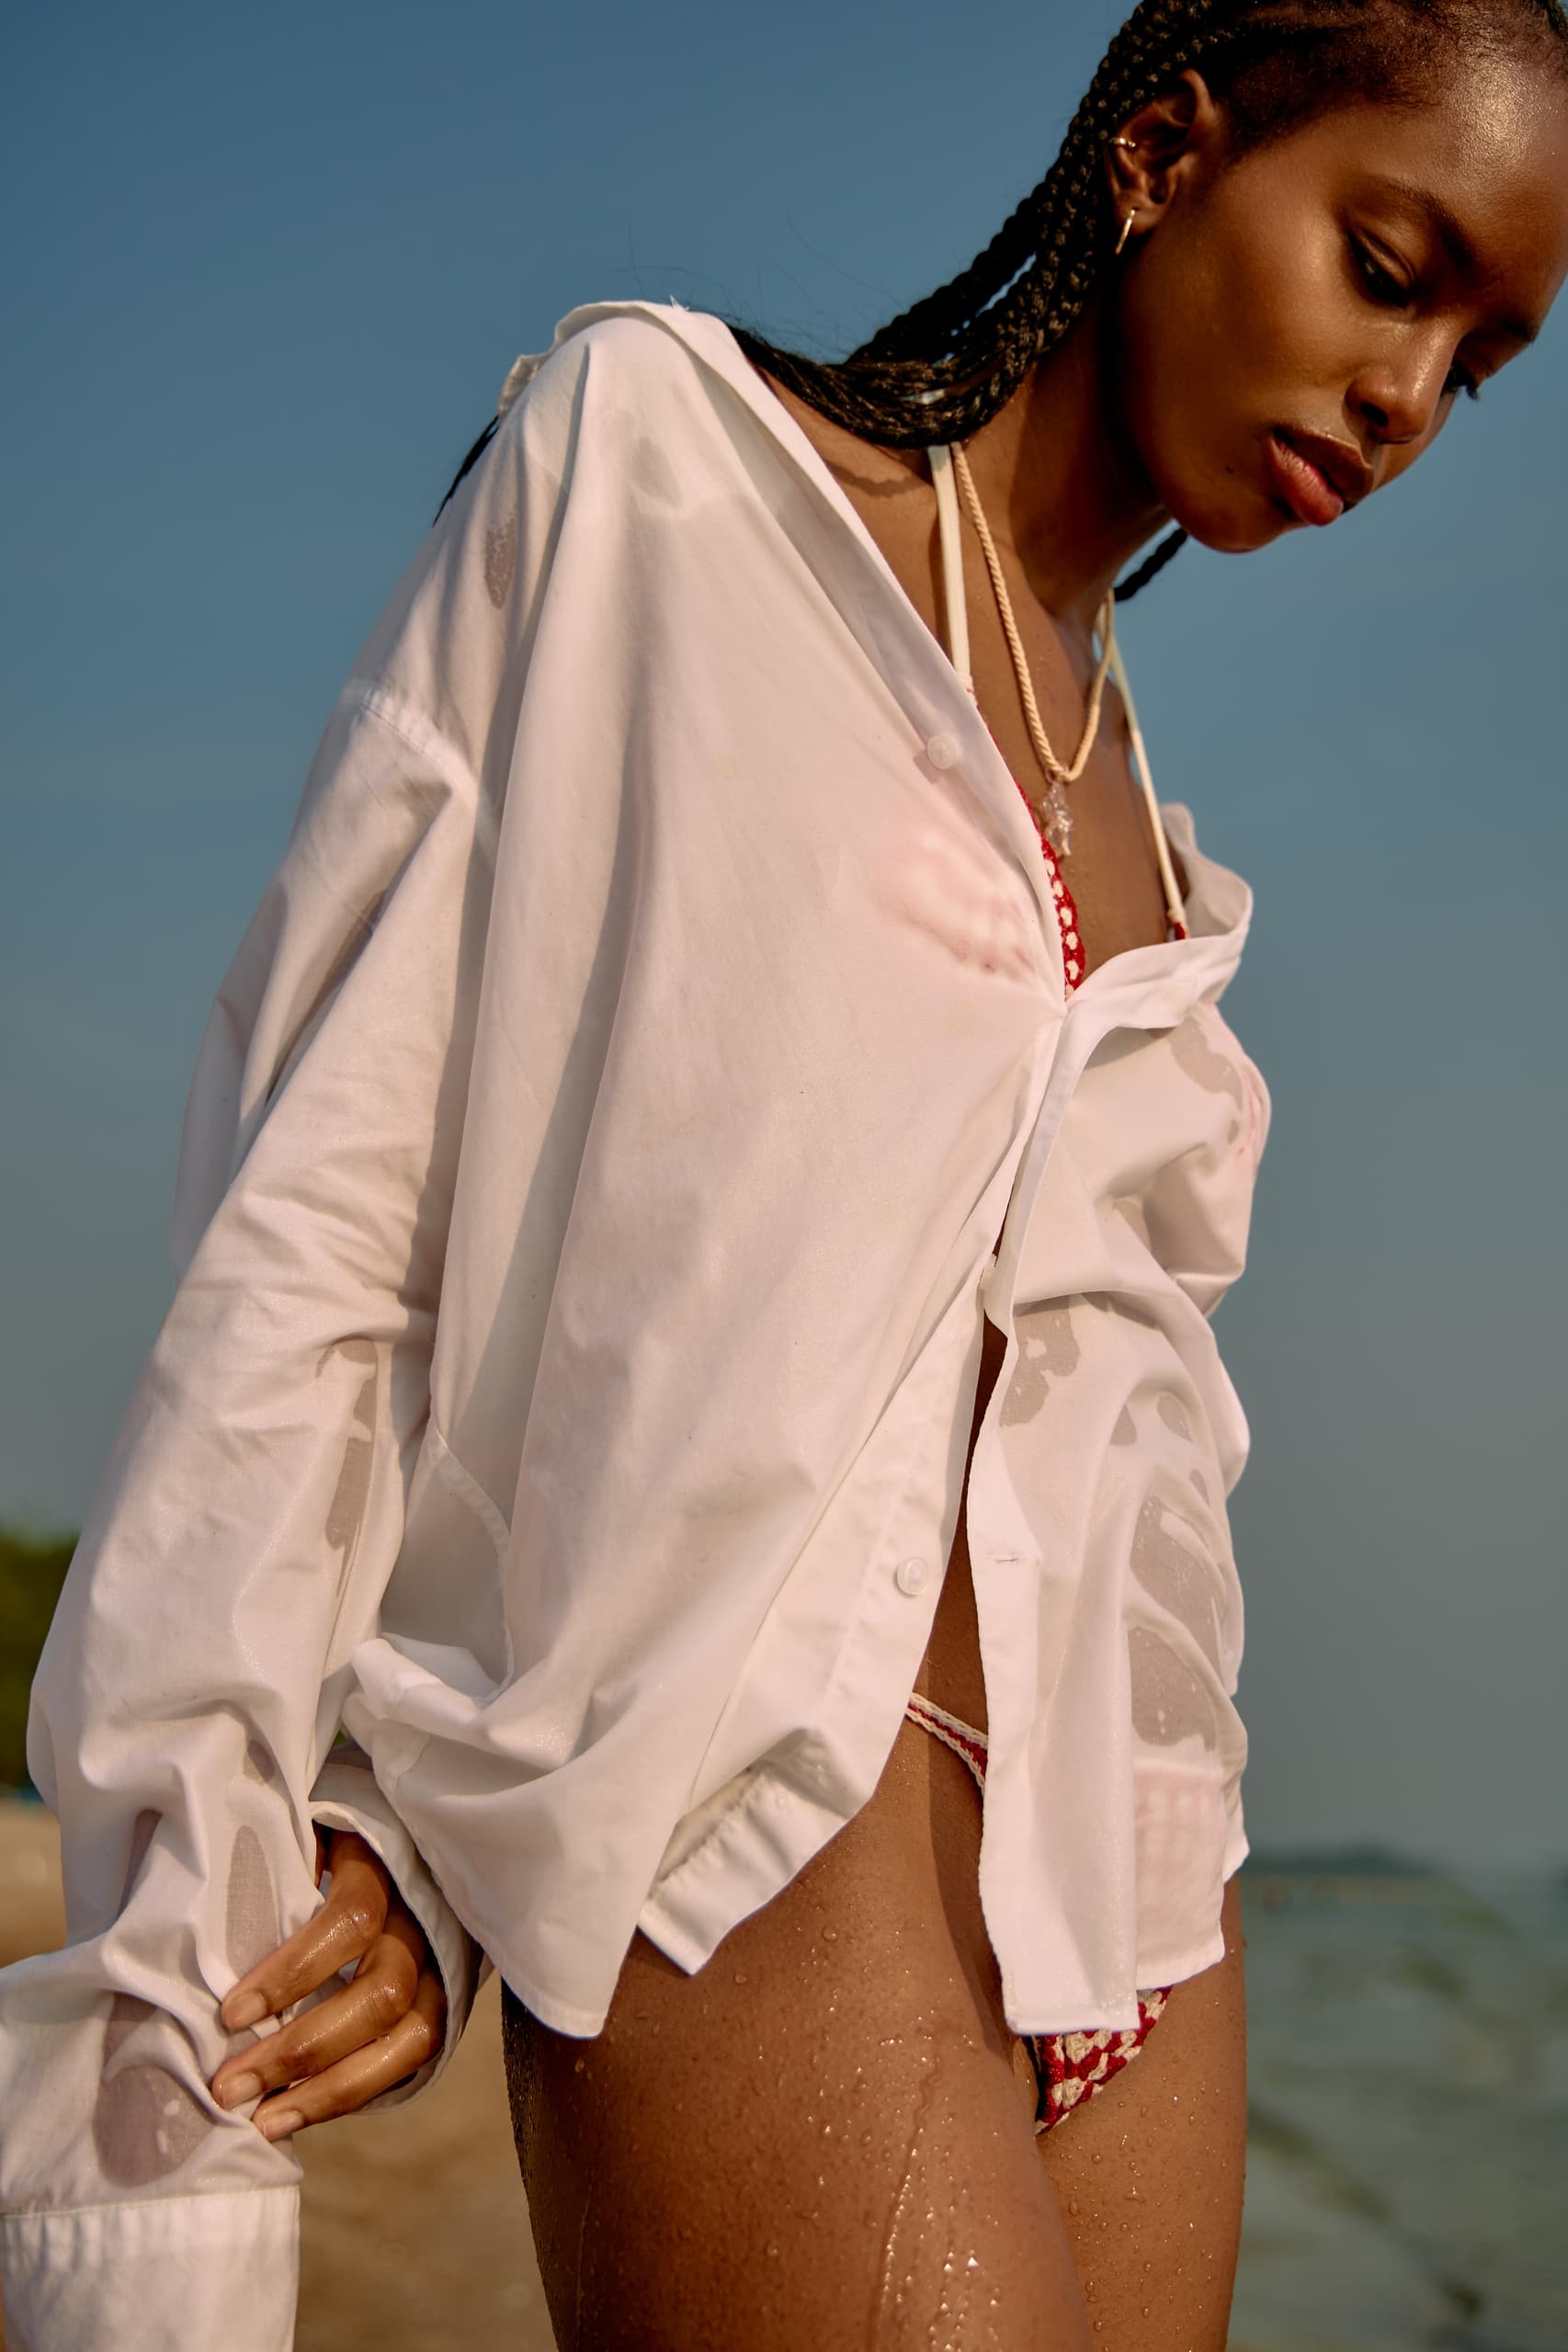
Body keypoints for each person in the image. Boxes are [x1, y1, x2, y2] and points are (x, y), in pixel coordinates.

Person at [5, 1, 1567, 2346]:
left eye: (1486, 358)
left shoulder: (1153, 836)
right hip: (755, 1829)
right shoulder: (667, 473)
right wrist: (289, 1852)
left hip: (1133, 1878)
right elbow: (336, 1216)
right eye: (1388, 262)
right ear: (1165, 146)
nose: (1406, 396)